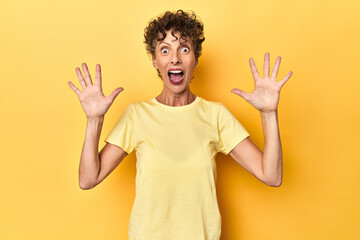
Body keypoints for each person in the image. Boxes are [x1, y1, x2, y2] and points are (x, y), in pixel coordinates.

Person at [68, 9, 293, 240]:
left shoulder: (215, 116)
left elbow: (271, 175)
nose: (175, 58)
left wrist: (268, 113)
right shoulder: (137, 115)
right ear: (155, 61)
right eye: (165, 50)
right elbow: (88, 179)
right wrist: (94, 120)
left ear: (195, 58)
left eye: (184, 49)